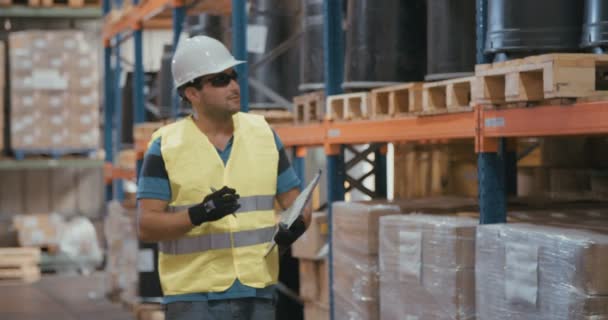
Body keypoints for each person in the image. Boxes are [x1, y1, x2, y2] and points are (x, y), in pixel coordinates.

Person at [136, 35, 310, 320]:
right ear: (192, 93)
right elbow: (147, 225)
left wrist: (298, 224)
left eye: (233, 77)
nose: (233, 86)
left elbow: (298, 203)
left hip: (258, 290)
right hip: (193, 297)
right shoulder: (165, 146)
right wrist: (199, 214)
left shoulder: (264, 135)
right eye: (219, 80)